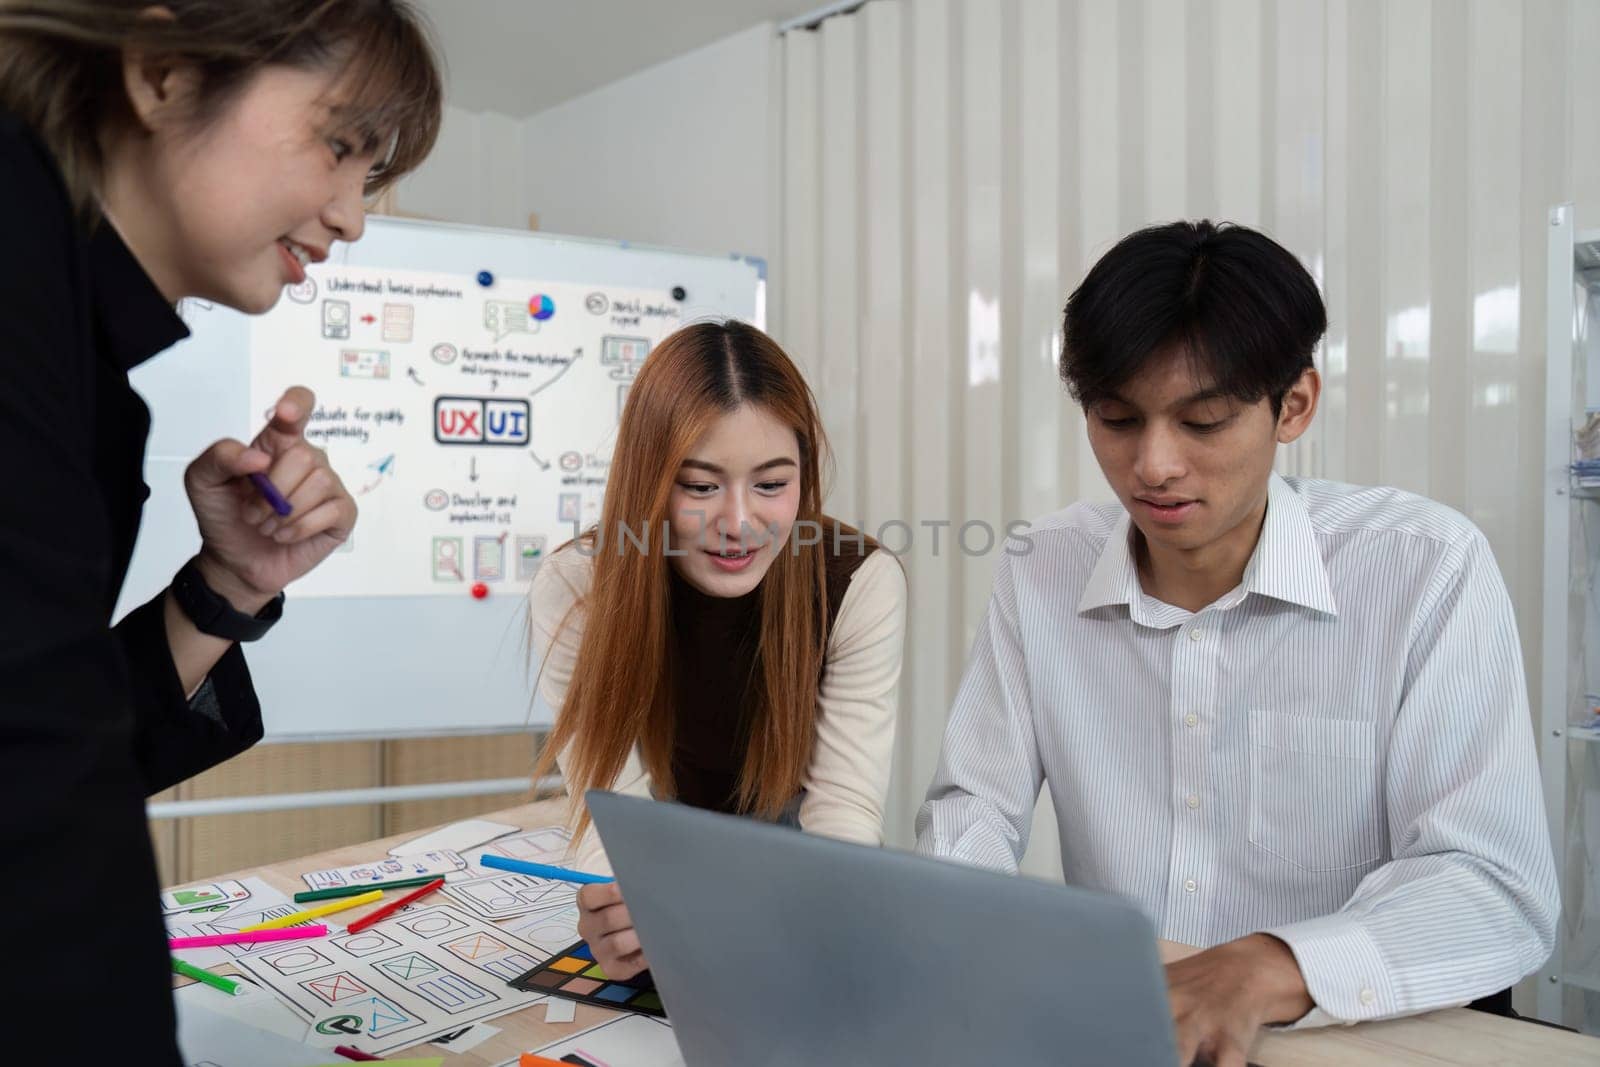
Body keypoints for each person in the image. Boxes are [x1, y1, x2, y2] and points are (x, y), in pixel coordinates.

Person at [914, 220, 1559, 1066]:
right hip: (1124, 1031)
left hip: (1349, 1041)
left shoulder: (1423, 568)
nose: (1153, 464)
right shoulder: (1044, 567)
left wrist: (1266, 966)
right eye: (1116, 418)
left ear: (1293, 405)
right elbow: (972, 810)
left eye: (1204, 421)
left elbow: (1491, 886)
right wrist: (968, 930)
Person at [0, 1, 442, 1060]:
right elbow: (39, 827)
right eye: (341, 146)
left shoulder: (83, 351)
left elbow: (52, 745)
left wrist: (227, 587)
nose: (352, 217)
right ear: (162, 72)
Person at [528, 319, 907, 981]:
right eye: (700, 486)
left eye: (771, 484)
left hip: (801, 874)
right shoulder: (576, 587)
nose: (738, 523)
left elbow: (843, 812)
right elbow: (606, 801)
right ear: (649, 478)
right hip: (655, 863)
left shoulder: (858, 582)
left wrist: (832, 921)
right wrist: (615, 906)